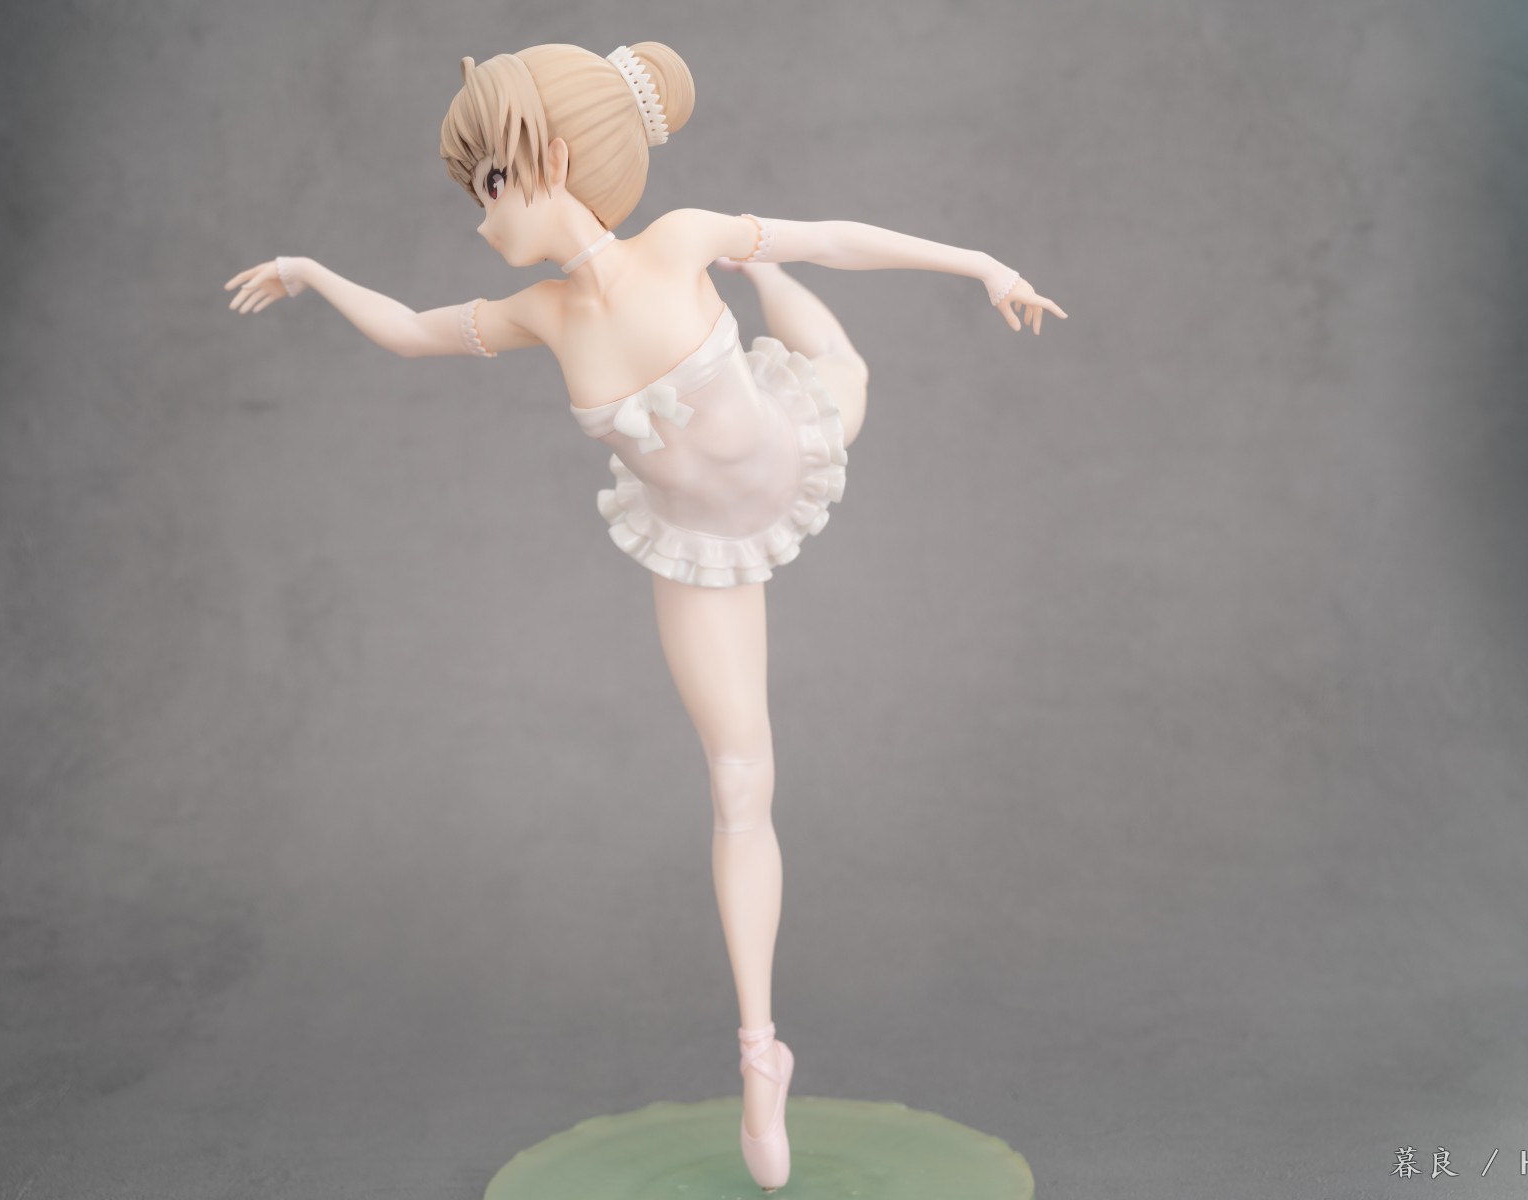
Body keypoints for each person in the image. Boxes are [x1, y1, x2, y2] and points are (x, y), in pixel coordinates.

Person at [222, 41, 1065, 1192]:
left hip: (795, 439)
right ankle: (761, 1053)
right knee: (739, 782)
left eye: (492, 181)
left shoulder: (679, 240)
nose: (480, 212)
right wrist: (312, 272)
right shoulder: (540, 315)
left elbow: (835, 236)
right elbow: (415, 330)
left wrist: (983, 265)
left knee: (834, 353)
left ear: (555, 160)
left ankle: (775, 299)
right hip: (701, 550)